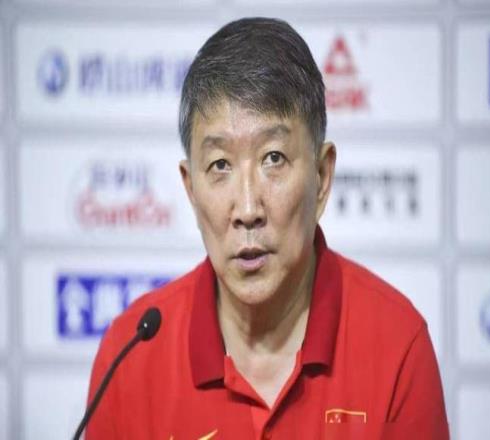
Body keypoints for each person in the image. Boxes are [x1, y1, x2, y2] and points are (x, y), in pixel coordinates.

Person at [85, 17, 449, 439]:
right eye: (220, 165)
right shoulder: (131, 355)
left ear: (322, 177)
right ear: (190, 189)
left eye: (273, 158)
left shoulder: (397, 344)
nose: (247, 209)